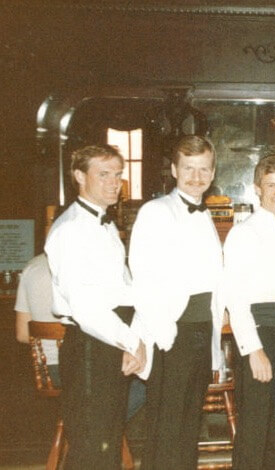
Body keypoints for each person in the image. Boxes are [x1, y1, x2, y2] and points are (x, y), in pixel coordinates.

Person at [44, 144, 146, 470]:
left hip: (110, 340)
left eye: (117, 174)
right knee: (92, 448)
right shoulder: (71, 229)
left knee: (107, 442)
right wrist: (132, 341)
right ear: (78, 176)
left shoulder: (105, 225)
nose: (114, 182)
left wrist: (133, 337)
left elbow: (125, 290)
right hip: (90, 345)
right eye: (103, 174)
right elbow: (87, 308)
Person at [129, 135, 225, 469]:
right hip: (172, 333)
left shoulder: (205, 215)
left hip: (200, 330)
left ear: (212, 174)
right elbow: (141, 277)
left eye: (203, 170)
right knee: (166, 428)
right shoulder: (155, 212)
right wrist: (163, 334)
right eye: (188, 169)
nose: (196, 177)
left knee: (188, 427)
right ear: (174, 170)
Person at [223, 154, 275, 470]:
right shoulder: (242, 234)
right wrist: (253, 350)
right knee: (254, 428)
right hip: (257, 334)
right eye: (270, 185)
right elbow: (235, 296)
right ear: (258, 188)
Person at [15, 252, 146, 420]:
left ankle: (83, 424)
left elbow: (22, 334)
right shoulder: (96, 264)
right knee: (150, 380)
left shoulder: (31, 267)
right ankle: (94, 426)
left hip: (47, 371)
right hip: (84, 368)